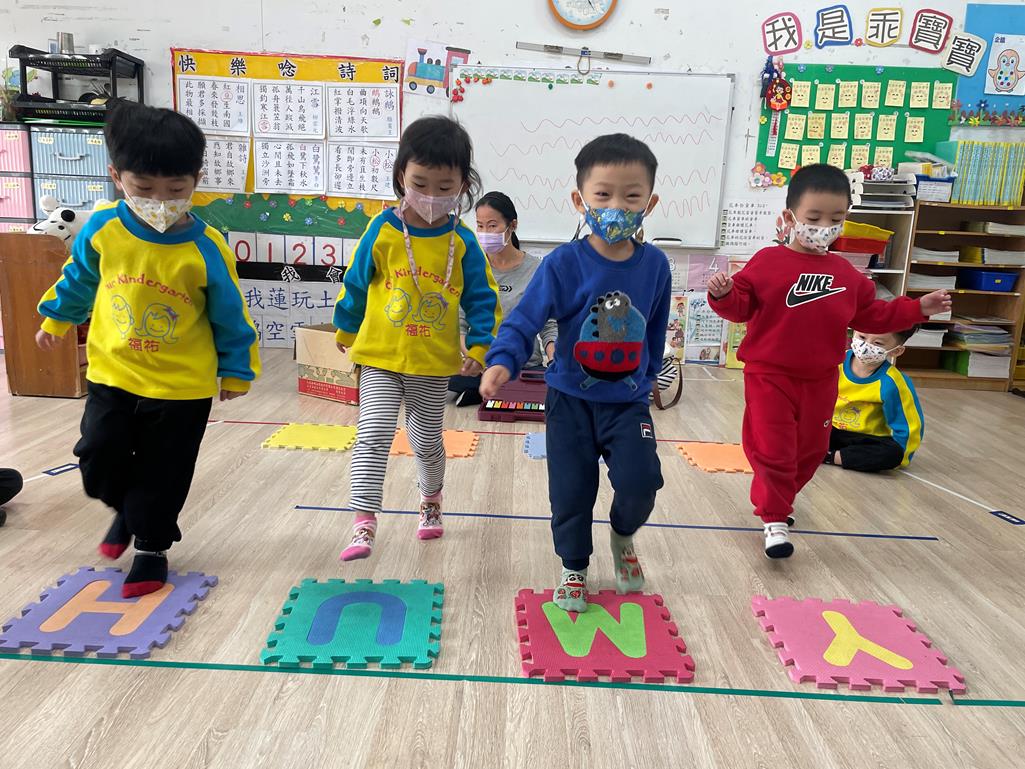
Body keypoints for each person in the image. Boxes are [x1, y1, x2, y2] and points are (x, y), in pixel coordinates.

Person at [35, 100, 260, 597]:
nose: (161, 200)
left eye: (176, 190)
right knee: (96, 459)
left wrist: (236, 370)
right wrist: (57, 318)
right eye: (144, 188)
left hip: (182, 386)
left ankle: (152, 548)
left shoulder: (206, 247)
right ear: (117, 177)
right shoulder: (103, 228)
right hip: (113, 371)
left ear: (195, 181)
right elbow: (79, 279)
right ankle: (128, 511)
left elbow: (230, 315)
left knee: (165, 472)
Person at [706, 164, 950, 559]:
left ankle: (780, 498)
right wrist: (723, 294)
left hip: (821, 379)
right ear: (790, 218)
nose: (824, 227)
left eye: (835, 218)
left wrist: (917, 308)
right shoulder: (767, 262)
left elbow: (874, 316)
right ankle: (774, 518)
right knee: (774, 447)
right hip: (770, 375)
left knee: (811, 449)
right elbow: (740, 306)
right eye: (814, 217)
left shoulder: (846, 274)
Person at [481, 134, 671, 613]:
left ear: (649, 203)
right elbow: (526, 317)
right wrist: (503, 358)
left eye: (631, 196)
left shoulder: (655, 265)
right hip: (570, 400)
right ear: (580, 200)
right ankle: (574, 567)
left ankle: (623, 535)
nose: (616, 207)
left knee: (642, 481)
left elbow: (654, 328)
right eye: (603, 195)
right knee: (570, 490)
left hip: (628, 402)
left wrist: (648, 379)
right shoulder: (563, 263)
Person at [334, 116, 501, 562]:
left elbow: (483, 299)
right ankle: (364, 522)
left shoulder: (463, 241)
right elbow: (356, 281)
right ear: (401, 176)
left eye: (445, 187)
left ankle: (430, 500)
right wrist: (346, 326)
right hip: (381, 356)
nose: (431, 195)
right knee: (372, 434)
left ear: (463, 185)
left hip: (432, 361)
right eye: (420, 183)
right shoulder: (382, 229)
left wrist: (480, 347)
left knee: (426, 441)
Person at [448, 191, 557, 406]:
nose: (484, 232)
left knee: (551, 398)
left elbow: (548, 325)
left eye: (492, 225)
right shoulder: (472, 267)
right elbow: (459, 324)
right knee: (445, 395)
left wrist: (555, 361)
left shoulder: (537, 269)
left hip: (523, 367)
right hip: (479, 366)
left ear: (512, 225)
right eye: (480, 225)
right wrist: (474, 358)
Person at [826, 327, 923, 472]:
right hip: (828, 430)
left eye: (877, 343)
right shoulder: (834, 362)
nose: (866, 346)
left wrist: (900, 457)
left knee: (894, 453)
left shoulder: (893, 382)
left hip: (866, 440)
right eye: (862, 337)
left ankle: (829, 456)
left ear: (896, 351)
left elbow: (909, 427)